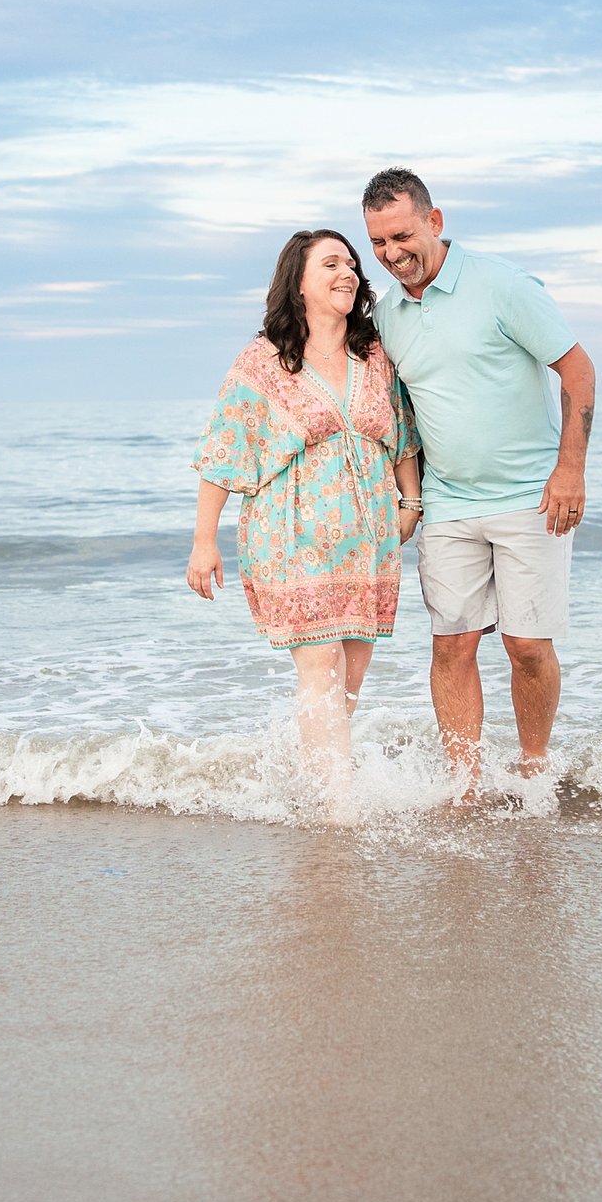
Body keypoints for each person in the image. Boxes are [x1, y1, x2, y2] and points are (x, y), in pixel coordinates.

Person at [361, 167, 596, 804]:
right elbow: (392, 412)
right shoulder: (388, 315)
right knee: (452, 642)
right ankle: (465, 788)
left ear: (435, 222)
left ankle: (533, 765)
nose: (392, 254)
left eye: (402, 235)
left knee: (525, 645)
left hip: (529, 496)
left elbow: (577, 371)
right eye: (378, 243)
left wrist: (569, 469)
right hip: (446, 502)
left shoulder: (504, 286)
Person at [187, 229, 423, 819]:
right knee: (320, 667)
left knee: (349, 677)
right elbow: (224, 450)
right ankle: (335, 809)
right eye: (331, 263)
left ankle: (312, 785)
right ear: (298, 280)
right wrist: (203, 542)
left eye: (351, 263)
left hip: (369, 539)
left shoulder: (373, 356)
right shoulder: (264, 361)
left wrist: (410, 504)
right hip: (291, 536)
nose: (347, 272)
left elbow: (403, 435)